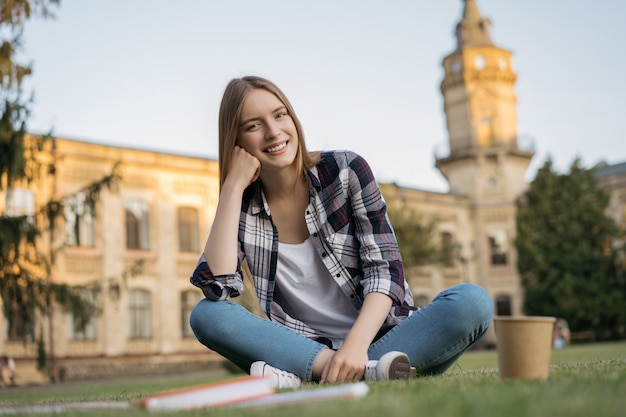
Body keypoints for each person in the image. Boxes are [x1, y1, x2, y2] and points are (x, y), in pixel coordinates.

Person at [190, 75, 494, 388]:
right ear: (237, 142)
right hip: (307, 348)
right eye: (253, 125)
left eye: (280, 115)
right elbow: (217, 287)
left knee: (473, 302)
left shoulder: (346, 171)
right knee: (205, 316)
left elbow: (385, 271)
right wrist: (231, 187)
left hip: (384, 335)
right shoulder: (240, 205)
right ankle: (361, 372)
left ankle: (310, 377)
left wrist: (355, 348)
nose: (273, 132)